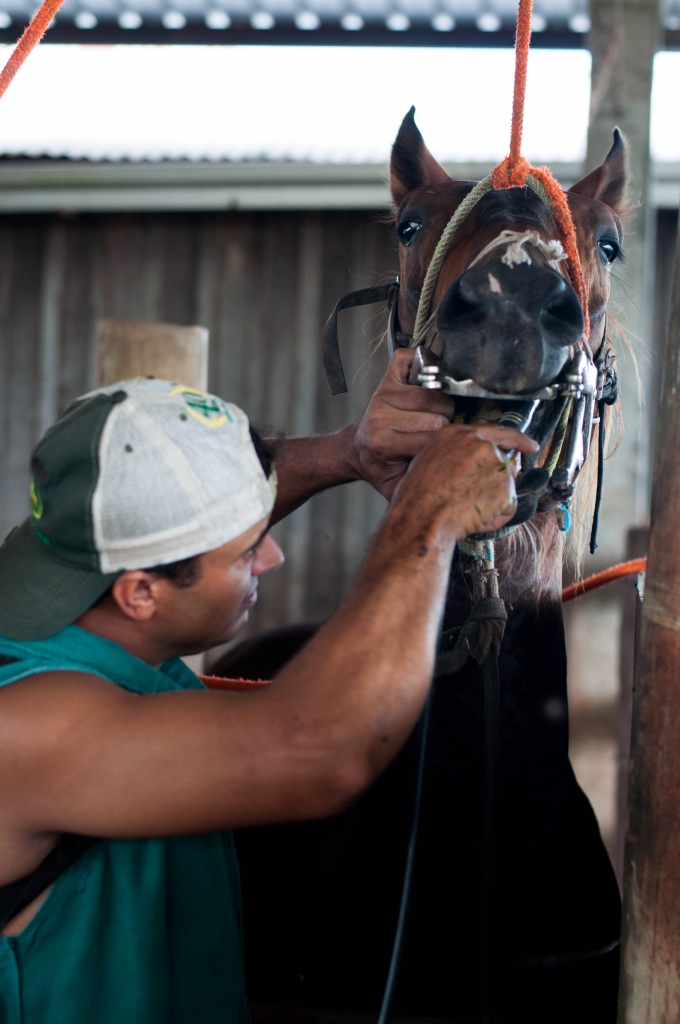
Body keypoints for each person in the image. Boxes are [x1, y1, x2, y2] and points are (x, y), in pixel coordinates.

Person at [0, 353, 536, 1023]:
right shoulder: (27, 727)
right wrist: (427, 518)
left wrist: (351, 453)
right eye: (248, 546)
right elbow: (322, 749)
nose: (273, 555)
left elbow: (187, 530)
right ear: (140, 592)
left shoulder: (59, 594)